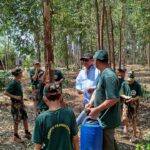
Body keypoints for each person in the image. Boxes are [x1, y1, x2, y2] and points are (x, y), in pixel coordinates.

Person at [86, 50, 120, 150]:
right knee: (109, 142)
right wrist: (90, 103)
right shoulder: (102, 74)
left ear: (96, 61)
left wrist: (96, 110)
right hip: (103, 118)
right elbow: (97, 90)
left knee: (107, 144)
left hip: (108, 119)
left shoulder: (109, 76)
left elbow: (113, 99)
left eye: (93, 60)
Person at [32, 84, 79, 150]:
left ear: (44, 98)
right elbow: (75, 138)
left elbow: (37, 146)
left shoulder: (41, 118)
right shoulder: (69, 113)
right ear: (61, 97)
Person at [4, 67, 31, 143]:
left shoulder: (18, 82)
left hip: (20, 104)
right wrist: (15, 97)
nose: (22, 74)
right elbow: (5, 92)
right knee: (16, 120)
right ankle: (15, 136)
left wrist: (23, 102)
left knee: (25, 117)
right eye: (21, 73)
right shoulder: (13, 83)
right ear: (18, 74)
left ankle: (27, 132)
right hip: (15, 105)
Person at [120, 71, 142, 142]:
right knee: (124, 117)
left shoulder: (137, 85)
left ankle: (134, 134)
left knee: (133, 119)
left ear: (133, 79)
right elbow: (121, 94)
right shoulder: (124, 84)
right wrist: (126, 97)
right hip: (126, 103)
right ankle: (126, 127)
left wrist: (133, 99)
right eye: (128, 80)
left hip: (134, 104)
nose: (129, 82)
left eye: (130, 80)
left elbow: (139, 95)